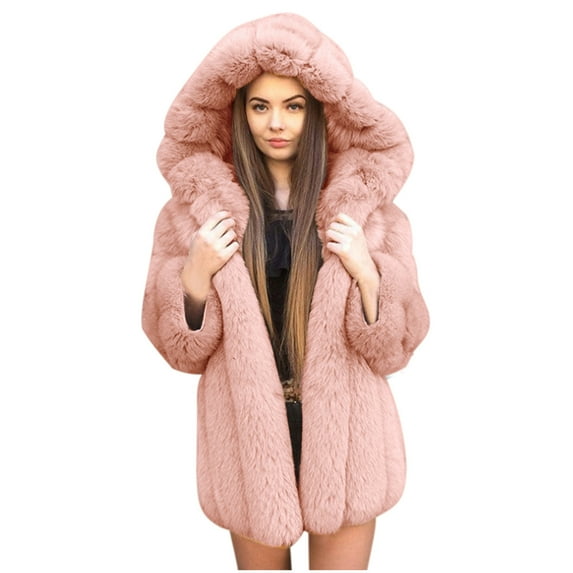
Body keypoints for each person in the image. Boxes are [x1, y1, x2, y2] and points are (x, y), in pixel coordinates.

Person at [142, 13, 429, 570]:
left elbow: (396, 347)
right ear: (238, 112)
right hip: (247, 445)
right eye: (260, 106)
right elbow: (180, 351)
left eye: (293, 106)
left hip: (348, 444)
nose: (276, 122)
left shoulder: (369, 213)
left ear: (317, 111)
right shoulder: (192, 216)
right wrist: (195, 274)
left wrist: (367, 271)